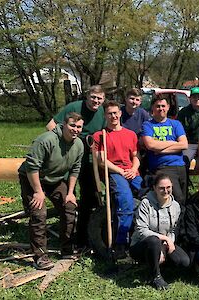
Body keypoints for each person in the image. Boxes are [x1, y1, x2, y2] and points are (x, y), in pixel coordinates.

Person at [19, 112, 84, 270]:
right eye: (72, 126)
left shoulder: (79, 145)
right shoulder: (46, 140)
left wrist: (70, 193)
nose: (75, 129)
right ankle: (40, 256)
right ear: (63, 125)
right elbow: (32, 167)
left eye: (79, 127)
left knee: (69, 207)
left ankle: (67, 249)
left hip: (55, 180)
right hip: (32, 178)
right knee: (39, 212)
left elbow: (75, 169)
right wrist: (38, 192)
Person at [46, 85, 106, 248]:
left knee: (90, 197)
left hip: (89, 161)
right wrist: (64, 141)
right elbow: (51, 124)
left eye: (99, 98)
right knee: (65, 195)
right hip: (70, 157)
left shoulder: (101, 112)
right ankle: (66, 236)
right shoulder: (74, 107)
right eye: (93, 97)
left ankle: (84, 236)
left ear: (103, 99)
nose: (96, 101)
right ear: (87, 96)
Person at [92, 101, 142, 258]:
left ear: (120, 113)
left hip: (132, 172)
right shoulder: (100, 135)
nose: (113, 116)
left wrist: (133, 169)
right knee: (126, 200)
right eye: (109, 113)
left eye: (115, 113)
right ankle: (120, 243)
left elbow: (136, 157)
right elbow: (101, 160)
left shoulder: (130, 134)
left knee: (151, 196)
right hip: (113, 172)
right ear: (105, 115)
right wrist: (121, 171)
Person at [130, 174, 190, 290]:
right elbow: (142, 230)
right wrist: (165, 239)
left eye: (168, 187)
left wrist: (166, 245)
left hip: (163, 244)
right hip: (141, 245)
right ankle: (156, 276)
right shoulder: (145, 204)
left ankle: (155, 266)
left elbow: (173, 230)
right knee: (154, 241)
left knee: (184, 261)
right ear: (154, 188)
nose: (165, 191)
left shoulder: (176, 206)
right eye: (161, 188)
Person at [141, 95, 188, 204]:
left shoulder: (176, 124)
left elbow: (184, 144)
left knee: (184, 199)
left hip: (180, 165)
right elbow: (151, 145)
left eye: (163, 106)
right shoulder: (147, 125)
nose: (161, 109)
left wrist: (161, 150)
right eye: (158, 106)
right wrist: (173, 143)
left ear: (168, 107)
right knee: (177, 198)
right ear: (152, 108)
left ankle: (183, 221)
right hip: (163, 167)